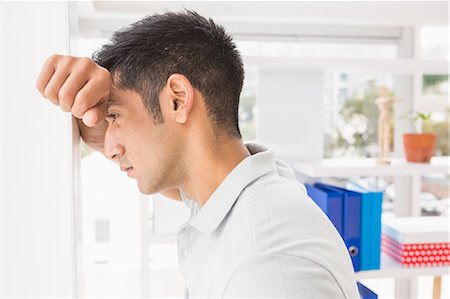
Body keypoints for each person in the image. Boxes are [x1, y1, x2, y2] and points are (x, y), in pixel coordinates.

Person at [36, 10, 359, 298]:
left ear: (177, 99)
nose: (111, 146)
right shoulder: (239, 191)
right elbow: (168, 178)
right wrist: (96, 124)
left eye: (116, 116)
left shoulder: (265, 265)